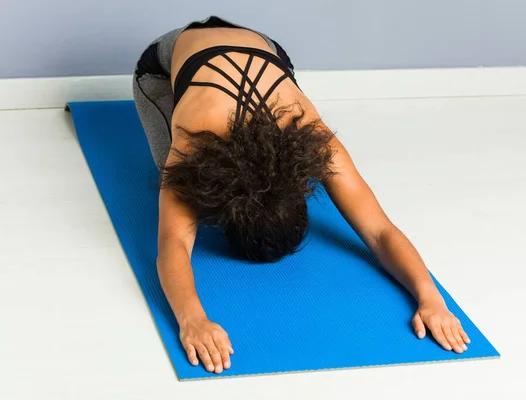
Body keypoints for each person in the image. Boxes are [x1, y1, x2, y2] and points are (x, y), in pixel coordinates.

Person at [133, 16, 470, 374]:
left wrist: (431, 299)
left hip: (264, 47)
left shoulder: (312, 134)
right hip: (165, 62)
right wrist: (192, 320)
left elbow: (380, 231)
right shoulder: (194, 139)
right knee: (171, 175)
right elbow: (173, 245)